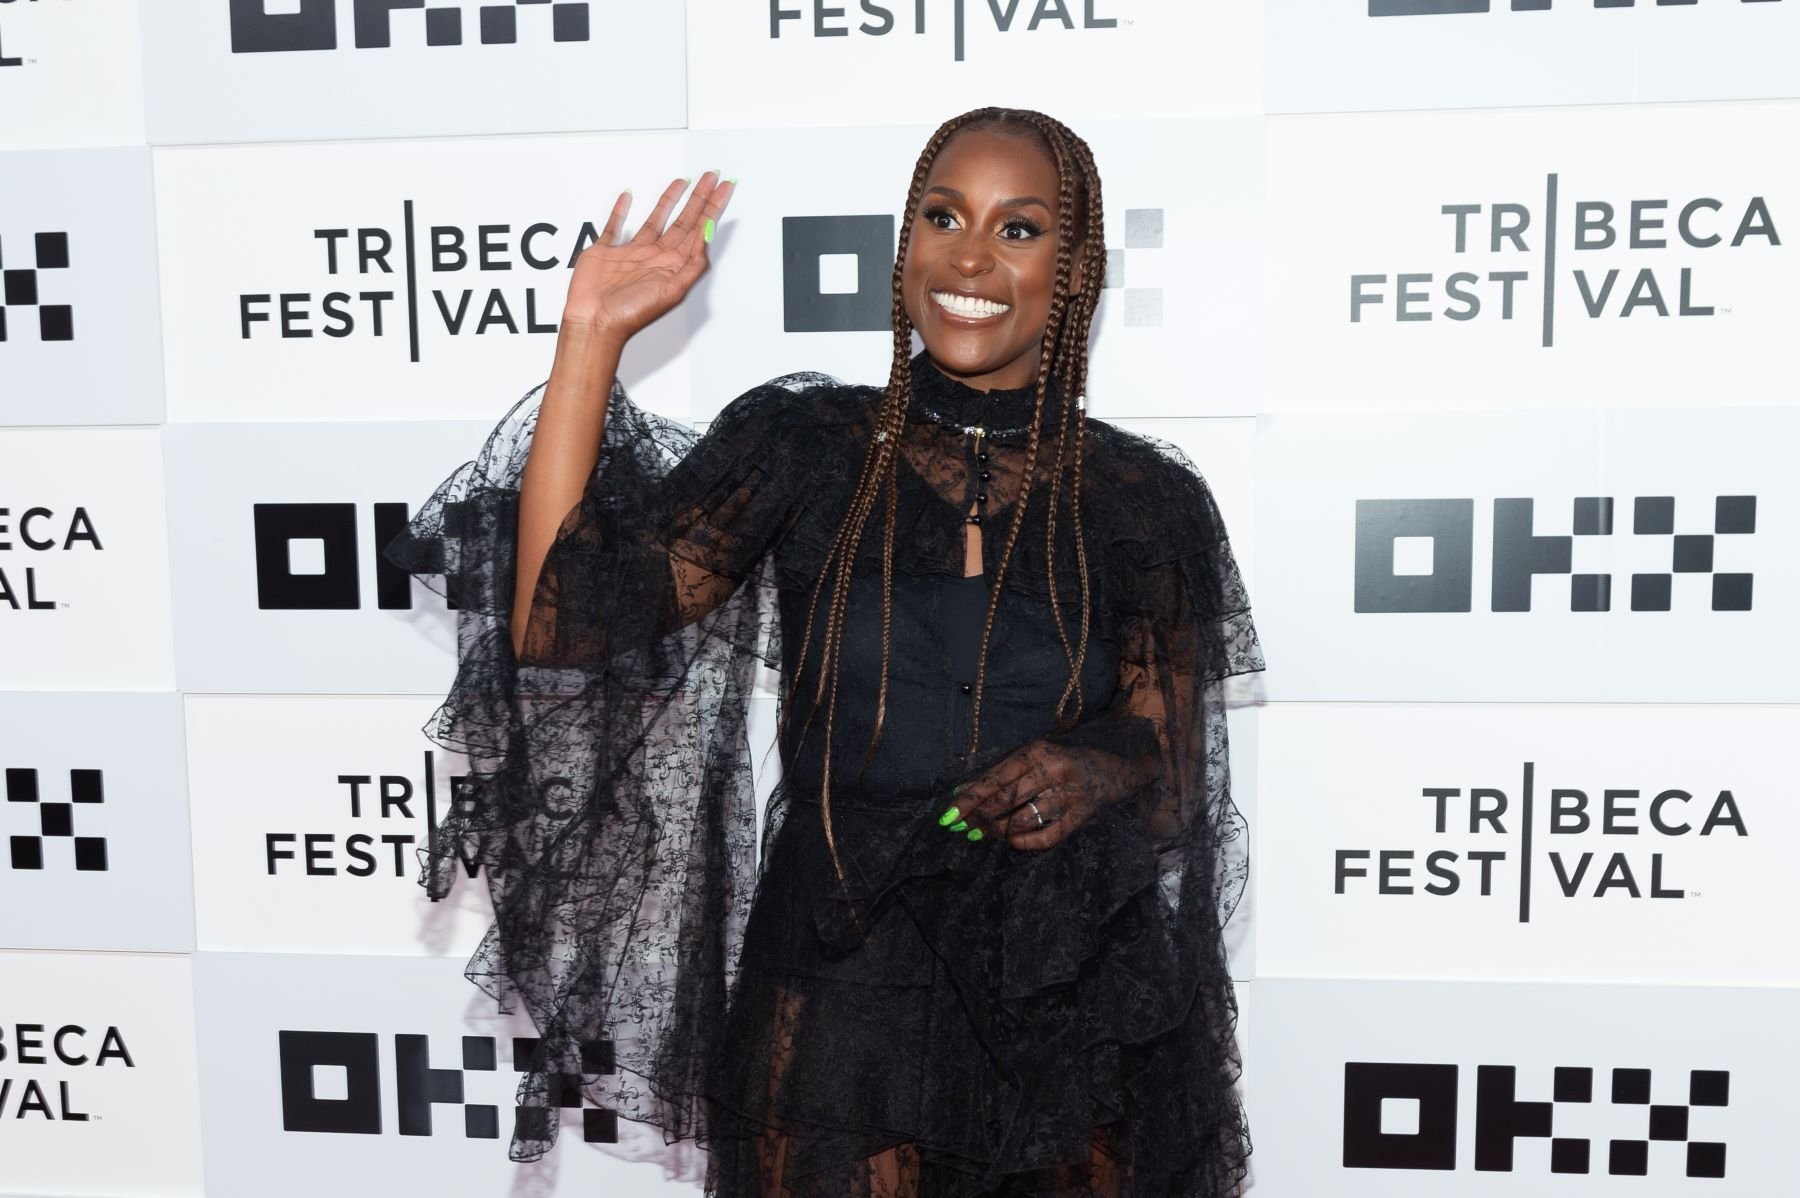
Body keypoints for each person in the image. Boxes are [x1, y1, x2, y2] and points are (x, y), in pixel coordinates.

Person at [383, 107, 1265, 1197]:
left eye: (1019, 228)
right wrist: (590, 336)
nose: (972, 257)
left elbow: (1177, 785)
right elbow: (561, 617)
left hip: (1067, 997)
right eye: (943, 216)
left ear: (1074, 268)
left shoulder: (1148, 501)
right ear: (906, 247)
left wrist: (1094, 767)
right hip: (843, 980)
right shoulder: (805, 448)